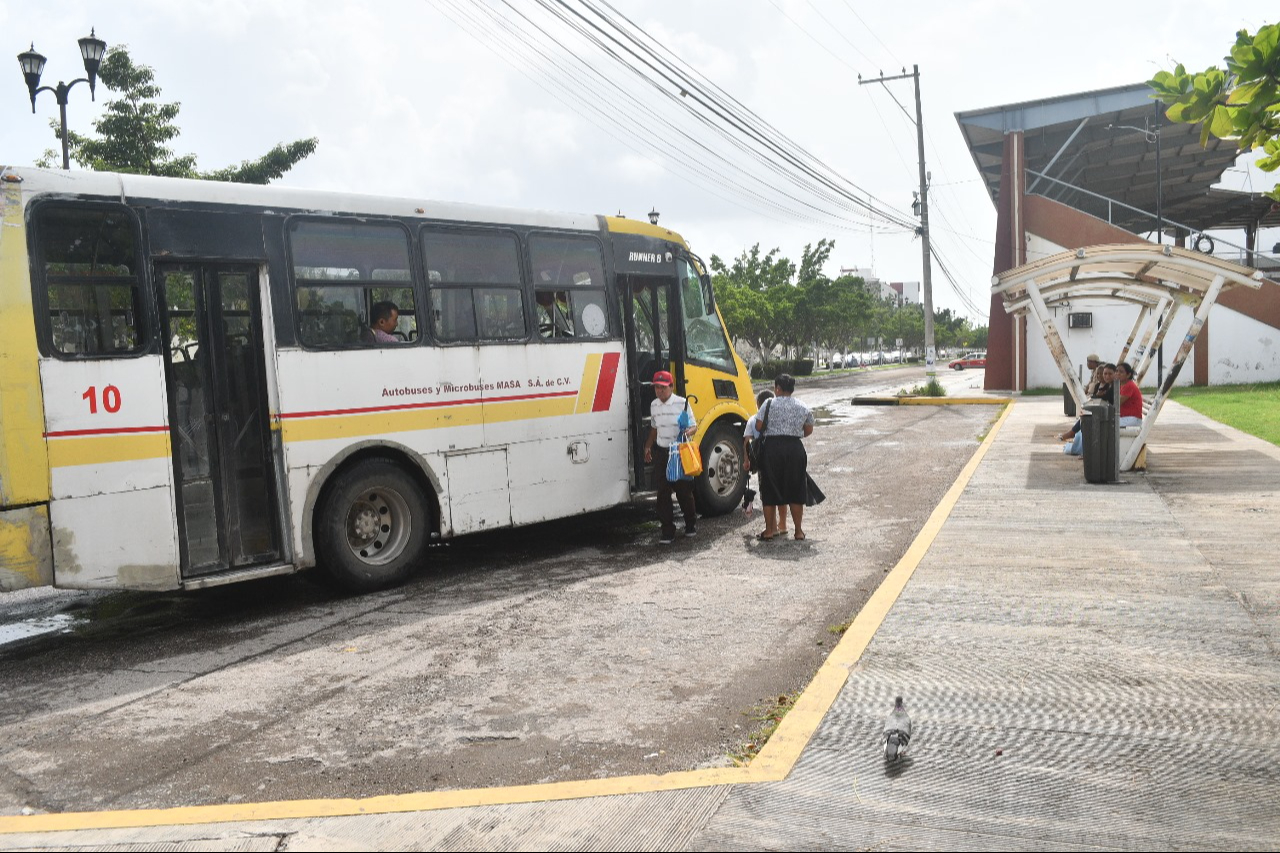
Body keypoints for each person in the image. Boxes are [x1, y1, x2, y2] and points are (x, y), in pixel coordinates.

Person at [756, 373, 814, 542]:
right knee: (796, 489)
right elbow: (809, 429)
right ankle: (798, 531)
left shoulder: (768, 403)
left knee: (770, 489)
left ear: (778, 388)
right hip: (795, 449)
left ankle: (768, 531)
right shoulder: (802, 406)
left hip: (772, 449)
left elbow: (759, 426)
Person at [643, 370, 697, 544]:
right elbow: (654, 428)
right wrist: (648, 446)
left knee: (683, 491)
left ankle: (690, 524)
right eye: (656, 388)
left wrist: (688, 431)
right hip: (662, 452)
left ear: (671, 387)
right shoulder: (654, 405)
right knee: (663, 492)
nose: (659, 391)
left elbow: (694, 426)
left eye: (663, 388)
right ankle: (667, 530)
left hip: (679, 452)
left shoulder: (682, 403)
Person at [741, 390, 786, 535]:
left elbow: (746, 442)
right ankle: (783, 525)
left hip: (763, 461)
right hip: (780, 458)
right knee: (781, 491)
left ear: (758, 404)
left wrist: (746, 461)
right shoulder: (780, 418)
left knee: (768, 494)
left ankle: (771, 528)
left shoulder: (753, 420)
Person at [1057, 363, 1115, 442]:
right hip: (1103, 409)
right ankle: (1075, 433)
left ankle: (1072, 433)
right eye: (1105, 374)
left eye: (1110, 374)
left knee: (1086, 413)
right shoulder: (1103, 385)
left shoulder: (1113, 386)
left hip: (1109, 412)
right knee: (1084, 413)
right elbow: (1096, 396)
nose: (1106, 376)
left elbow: (1104, 397)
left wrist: (1099, 395)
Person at [1116, 361, 1143, 426]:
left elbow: (1117, 403)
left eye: (1121, 372)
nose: (1118, 373)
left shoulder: (1129, 385)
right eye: (1116, 371)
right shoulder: (1120, 385)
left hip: (1131, 419)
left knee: (1105, 426)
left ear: (1128, 375)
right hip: (1125, 418)